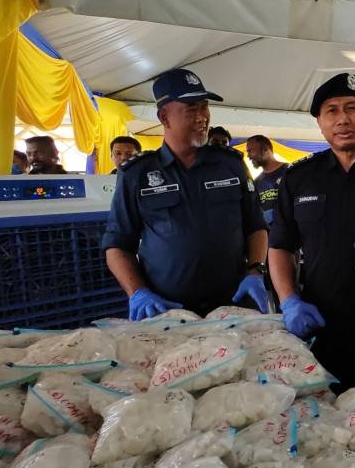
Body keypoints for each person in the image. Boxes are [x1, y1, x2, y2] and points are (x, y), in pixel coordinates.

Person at [102, 68, 268, 319]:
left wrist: (255, 269)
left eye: (205, 107)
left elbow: (255, 225)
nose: (202, 117)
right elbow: (117, 244)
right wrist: (137, 292)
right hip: (167, 310)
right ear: (164, 117)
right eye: (191, 108)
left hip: (232, 305)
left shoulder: (230, 164)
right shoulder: (137, 174)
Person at [268, 73, 355, 388]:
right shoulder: (299, 177)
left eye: (352, 108)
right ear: (320, 123)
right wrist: (288, 300)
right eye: (332, 111)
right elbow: (280, 246)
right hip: (320, 323)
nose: (343, 119)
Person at [245, 135, 288, 226]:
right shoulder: (256, 182)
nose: (248, 156)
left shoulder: (290, 172)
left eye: (251, 151)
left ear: (265, 149)